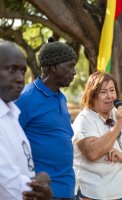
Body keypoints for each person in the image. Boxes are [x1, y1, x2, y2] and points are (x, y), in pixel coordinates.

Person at [15, 38, 77, 199]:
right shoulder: (25, 99)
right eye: (70, 66)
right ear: (54, 67)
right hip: (43, 192)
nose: (74, 72)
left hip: (68, 188)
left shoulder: (61, 98)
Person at [72, 71, 122, 200]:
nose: (110, 96)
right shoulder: (84, 119)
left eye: (112, 90)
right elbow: (93, 152)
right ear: (92, 95)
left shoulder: (119, 113)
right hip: (99, 195)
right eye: (103, 92)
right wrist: (117, 126)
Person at [0, 40, 52, 199]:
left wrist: (39, 178)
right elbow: (12, 187)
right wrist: (40, 185)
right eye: (12, 69)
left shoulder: (11, 113)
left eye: (22, 71)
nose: (20, 78)